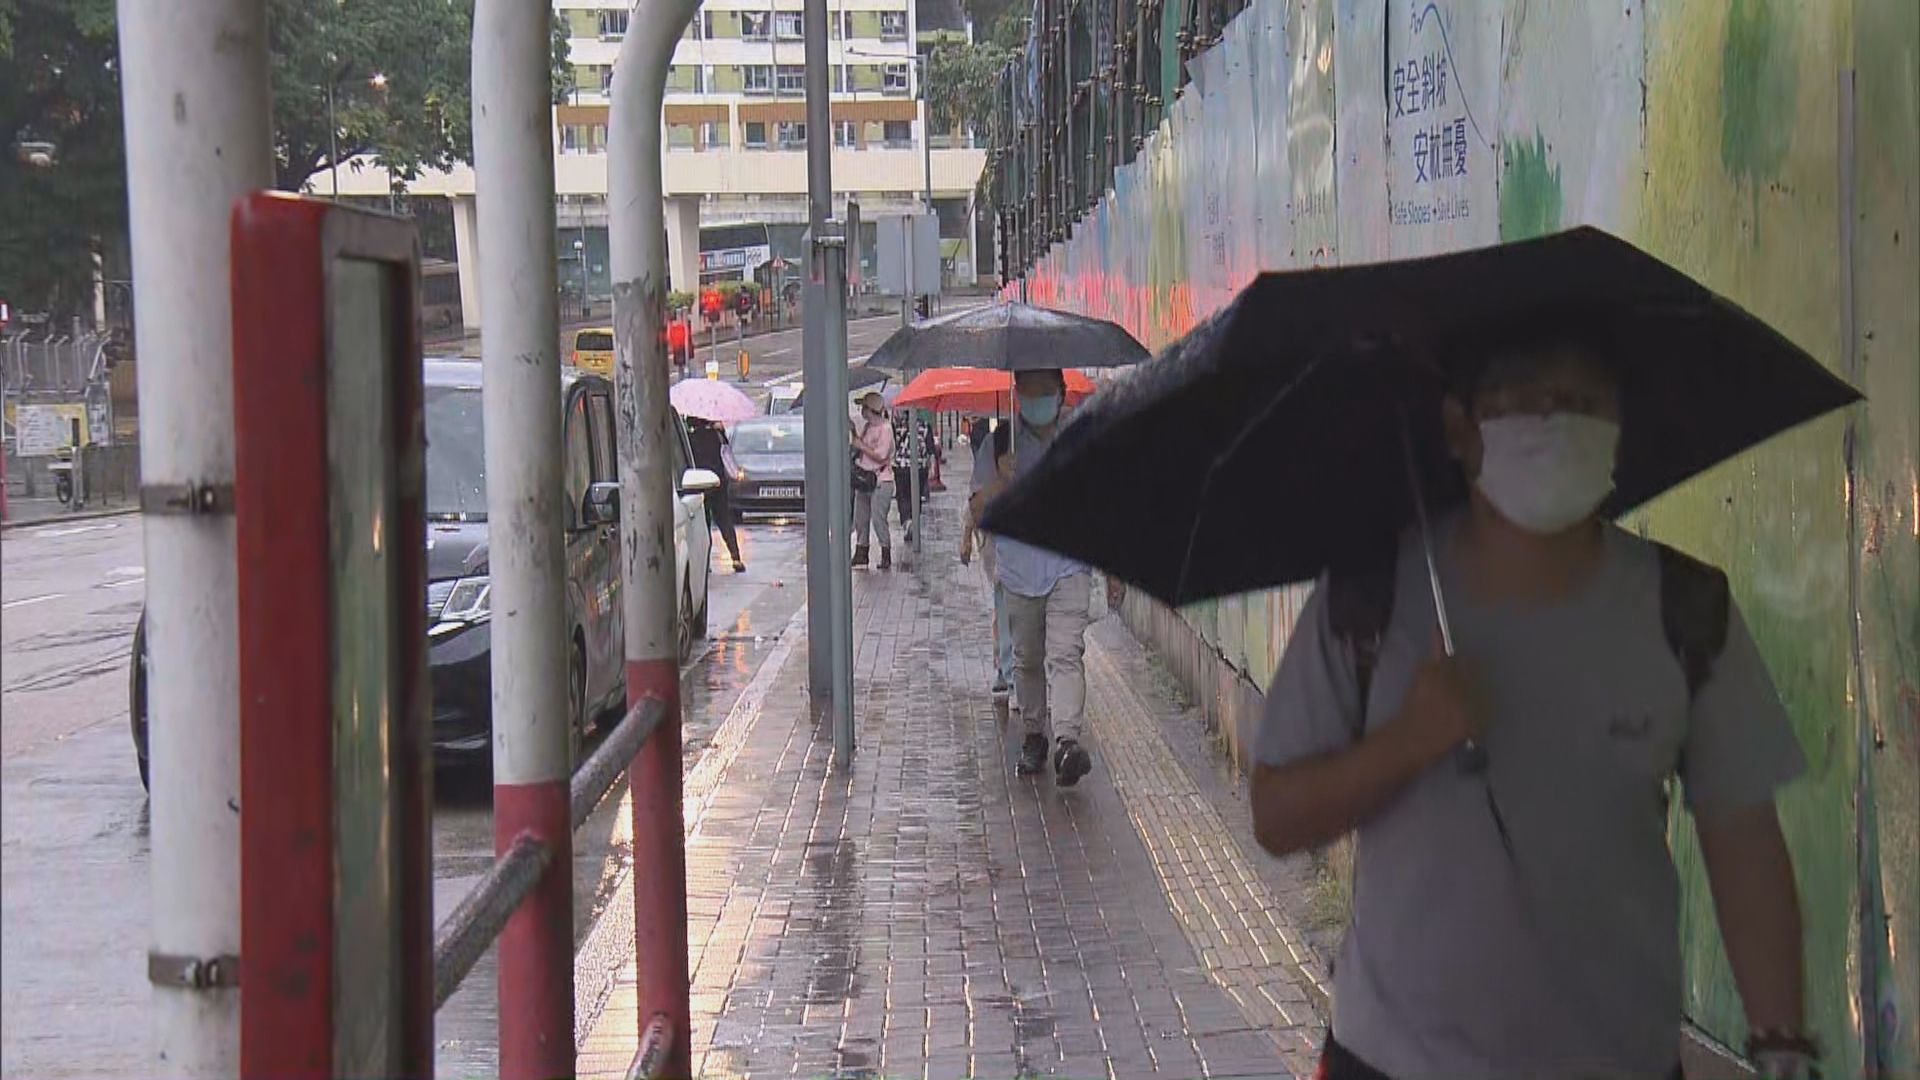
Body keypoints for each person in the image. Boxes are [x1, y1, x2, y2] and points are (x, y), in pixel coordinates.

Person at [1251, 331, 1815, 1080]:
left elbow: (1743, 839)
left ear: (1619, 428)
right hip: (1390, 1062)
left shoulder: (1685, 611)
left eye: (1583, 402)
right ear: (1460, 429)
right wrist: (1407, 742)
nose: (1556, 421)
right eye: (1523, 400)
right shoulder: (1370, 599)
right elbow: (1276, 817)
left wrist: (1783, 1047)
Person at [997, 369, 1094, 784]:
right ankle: (1034, 734)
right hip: (1020, 572)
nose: (1036, 398)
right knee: (1027, 659)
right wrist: (1002, 482)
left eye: (1045, 391)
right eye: (1029, 390)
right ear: (1017, 393)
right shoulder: (1001, 442)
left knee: (1066, 653)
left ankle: (1067, 742)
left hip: (1068, 565)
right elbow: (978, 504)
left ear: (1061, 394)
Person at [961, 421, 1016, 704]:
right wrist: (966, 538)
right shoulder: (988, 472)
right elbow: (973, 503)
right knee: (1004, 613)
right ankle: (1007, 672)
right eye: (1008, 458)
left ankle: (1020, 674)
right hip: (999, 556)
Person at [685, 417, 746, 573]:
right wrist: (720, 430)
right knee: (724, 519)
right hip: (718, 482)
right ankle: (736, 557)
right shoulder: (716, 434)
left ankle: (705, 562)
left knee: (704, 523)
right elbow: (726, 451)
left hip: (699, 483)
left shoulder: (690, 437)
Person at [851, 391, 896, 570]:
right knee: (860, 518)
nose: (862, 411)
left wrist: (861, 445)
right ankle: (861, 552)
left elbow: (881, 455)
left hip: (880, 480)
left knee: (878, 518)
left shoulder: (886, 429)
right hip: (863, 478)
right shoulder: (867, 427)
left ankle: (885, 552)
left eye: (864, 408)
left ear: (871, 409)